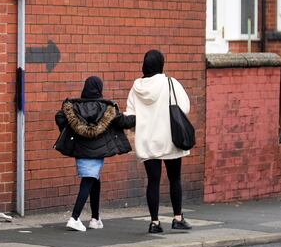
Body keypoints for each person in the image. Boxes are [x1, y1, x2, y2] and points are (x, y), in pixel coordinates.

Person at [54, 76, 135, 231]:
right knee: (88, 181)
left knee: (94, 180)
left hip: (80, 150)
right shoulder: (107, 108)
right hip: (97, 152)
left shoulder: (73, 107)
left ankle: (95, 218)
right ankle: (75, 218)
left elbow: (59, 117)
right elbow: (124, 122)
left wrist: (69, 128)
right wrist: (142, 116)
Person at [125, 49, 193, 234]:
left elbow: (130, 115)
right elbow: (185, 107)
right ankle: (177, 218)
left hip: (147, 142)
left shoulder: (136, 87)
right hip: (170, 140)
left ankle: (154, 223)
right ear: (161, 64)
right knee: (175, 178)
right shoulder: (170, 82)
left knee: (153, 182)